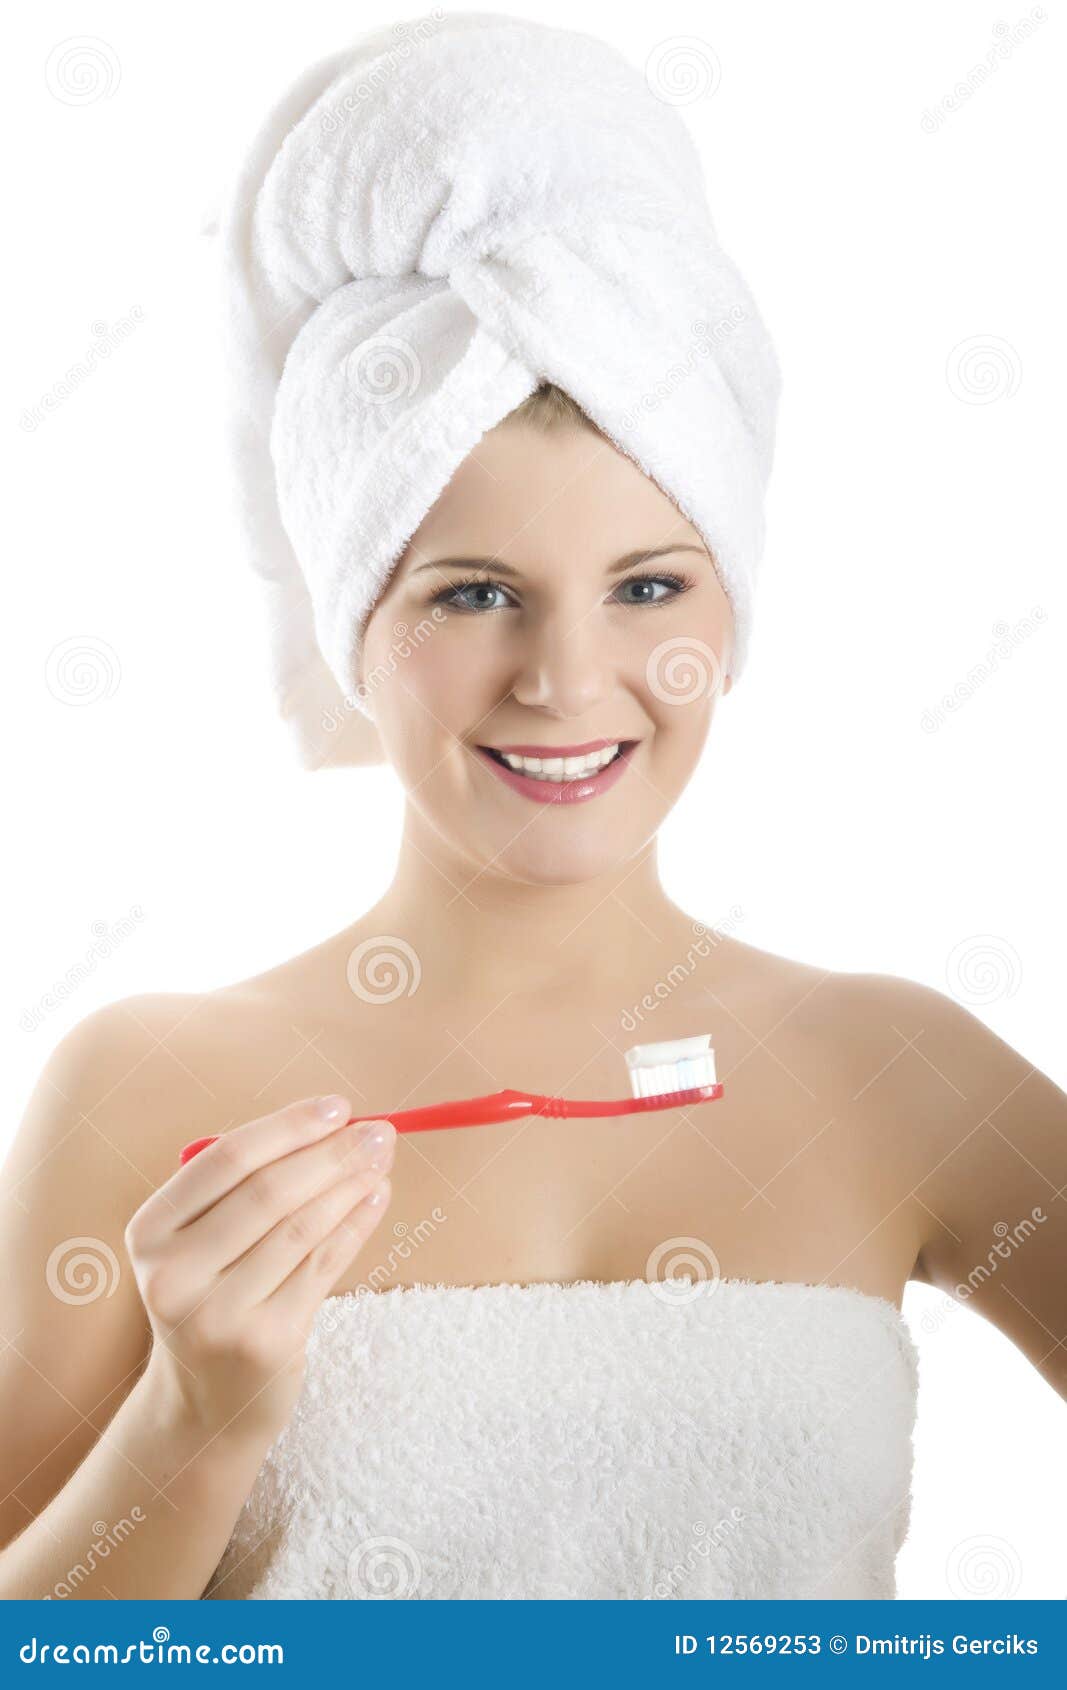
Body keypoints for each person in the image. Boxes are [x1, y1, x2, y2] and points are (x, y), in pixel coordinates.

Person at [2, 17, 1064, 1602]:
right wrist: (195, 1419)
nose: (569, 681)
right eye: (475, 592)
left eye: (649, 587)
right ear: (351, 621)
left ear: (733, 607)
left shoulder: (897, 1073)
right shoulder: (150, 1086)